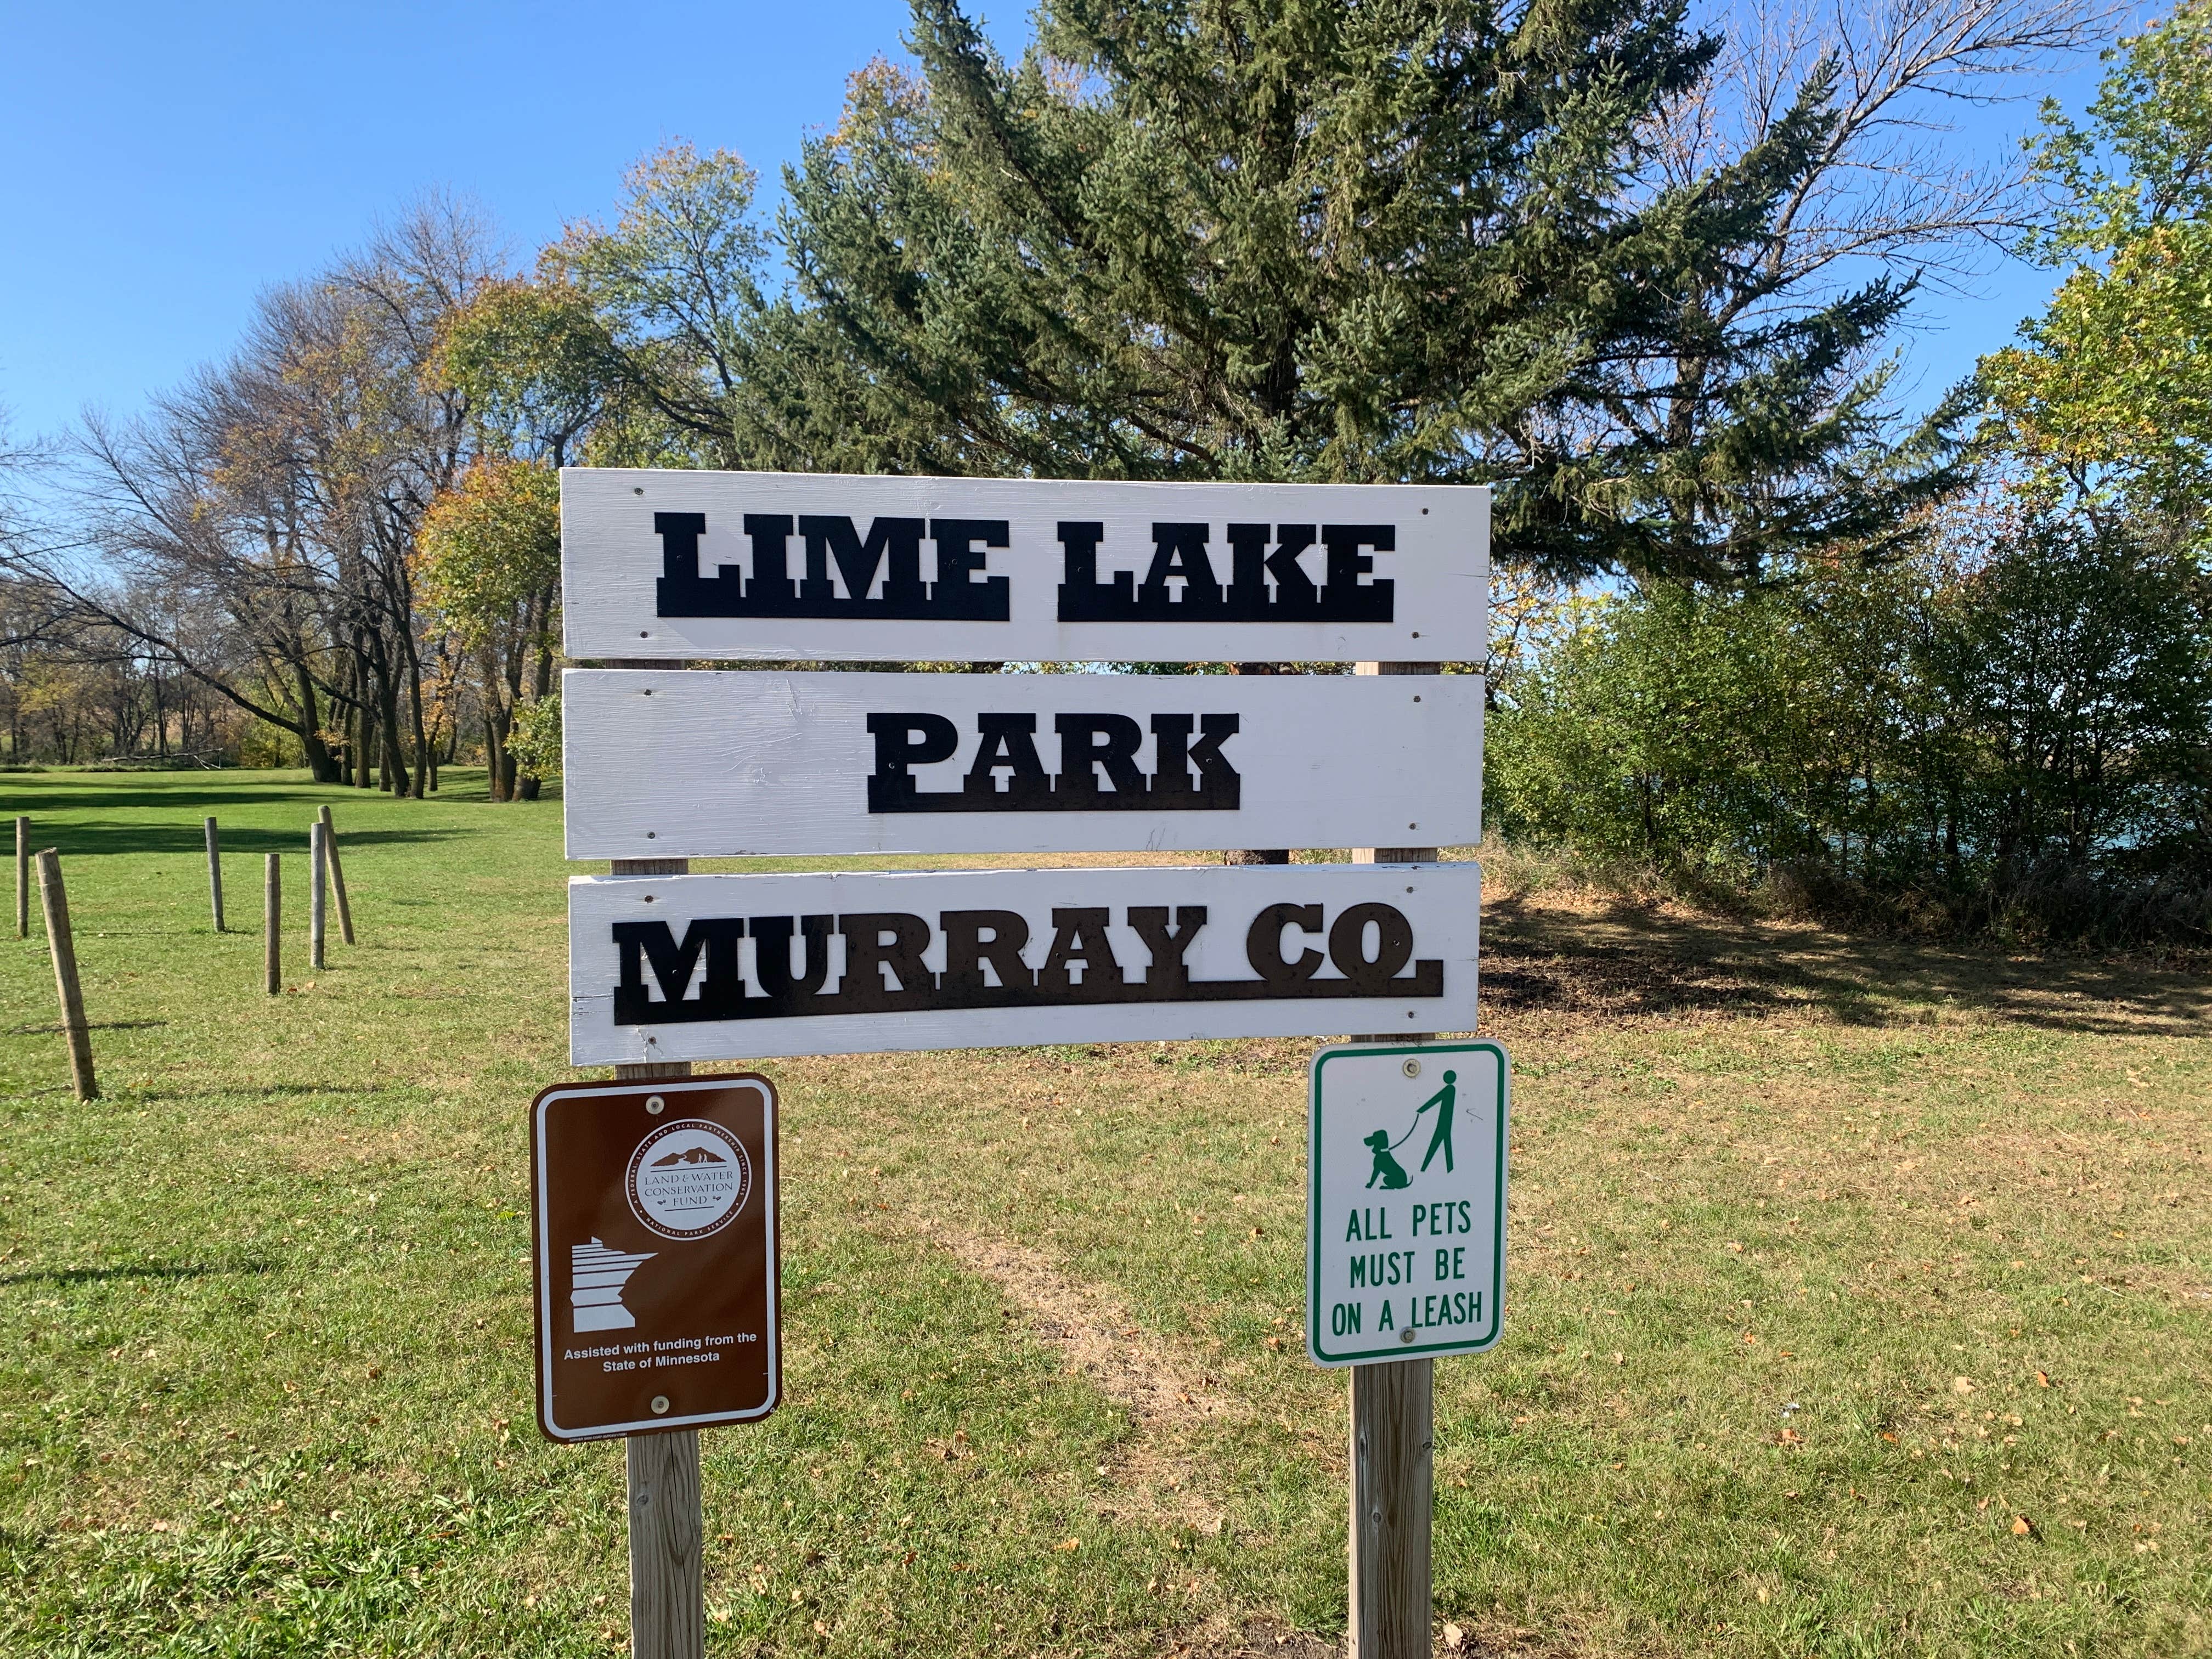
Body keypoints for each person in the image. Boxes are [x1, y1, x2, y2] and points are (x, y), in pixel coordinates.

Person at [1412, 1069, 1457, 1174]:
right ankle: (1450, 1169)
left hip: (1444, 1123)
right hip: (1445, 1122)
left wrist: (1421, 1110)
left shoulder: (1449, 1089)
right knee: (1445, 1144)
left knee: (1437, 1144)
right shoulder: (1451, 1089)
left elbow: (1436, 1099)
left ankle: (1424, 1169)